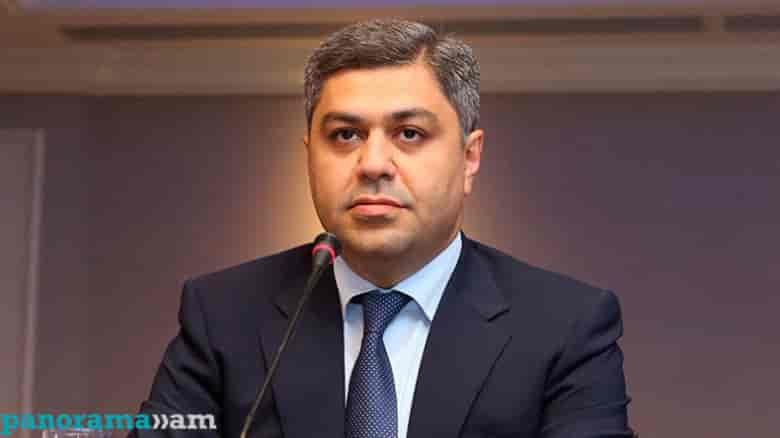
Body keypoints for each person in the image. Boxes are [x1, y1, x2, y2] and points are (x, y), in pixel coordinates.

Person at [130, 18, 632, 438]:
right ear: (309, 156)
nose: (372, 164)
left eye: (409, 133)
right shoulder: (224, 314)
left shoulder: (565, 326)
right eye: (345, 135)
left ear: (470, 157)